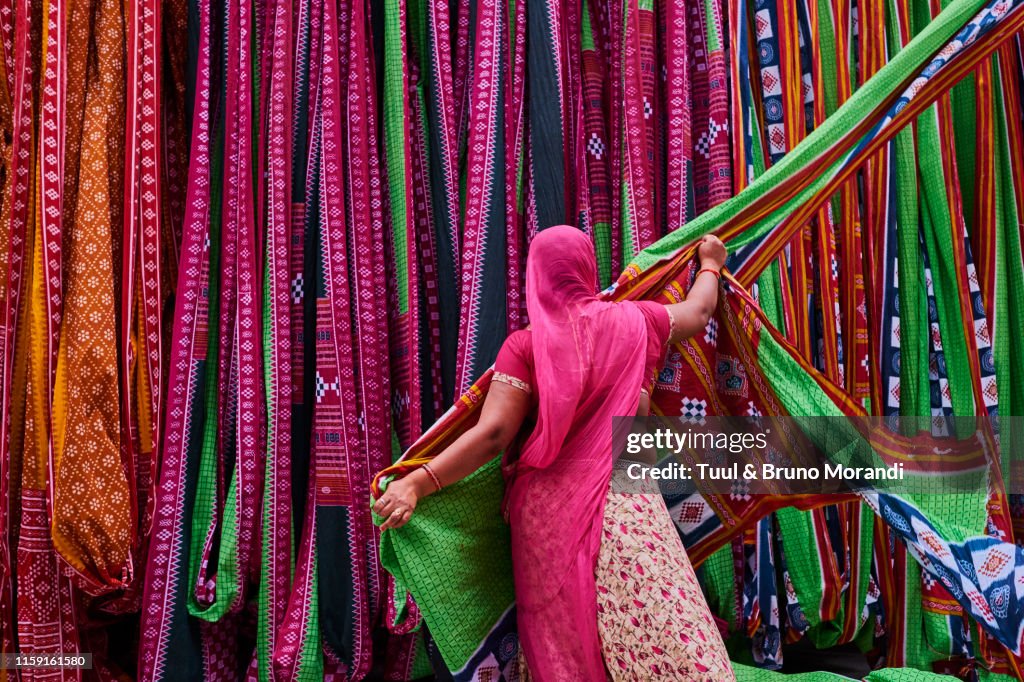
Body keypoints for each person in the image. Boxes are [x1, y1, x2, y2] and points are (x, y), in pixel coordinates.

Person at [372, 226, 734, 681]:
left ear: (535, 277)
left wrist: (417, 482)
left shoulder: (525, 346)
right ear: (587, 271)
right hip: (626, 501)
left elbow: (494, 433)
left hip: (546, 516)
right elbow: (700, 311)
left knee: (559, 640)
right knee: (656, 623)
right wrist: (711, 263)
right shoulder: (637, 321)